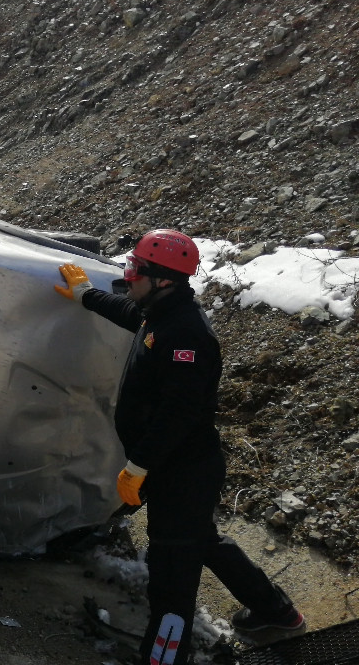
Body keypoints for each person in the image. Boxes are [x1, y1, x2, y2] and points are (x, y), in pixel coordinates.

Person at [55, 229, 305, 665]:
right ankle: (276, 613)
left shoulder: (186, 334)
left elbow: (179, 413)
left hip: (182, 470)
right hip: (175, 466)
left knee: (172, 578)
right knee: (199, 541)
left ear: (164, 280)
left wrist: (139, 465)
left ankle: (163, 658)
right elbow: (133, 317)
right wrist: (86, 296)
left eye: (135, 270)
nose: (127, 276)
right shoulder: (161, 313)